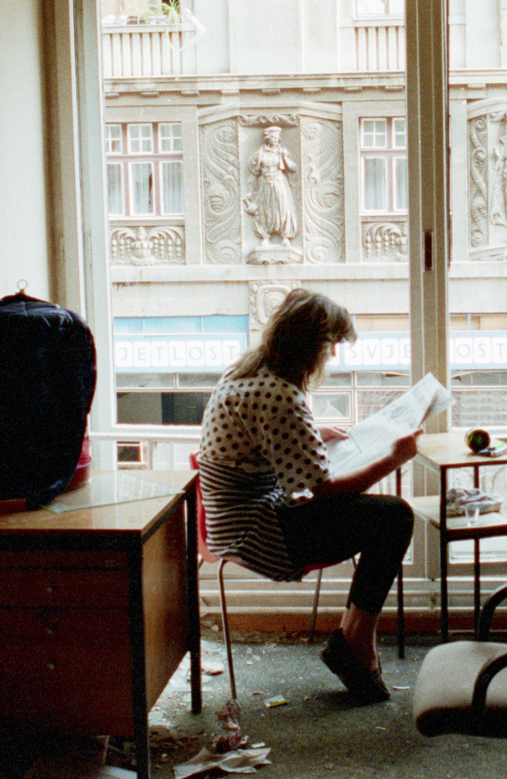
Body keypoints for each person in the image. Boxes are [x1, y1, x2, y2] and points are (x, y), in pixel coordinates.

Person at [197, 288, 418, 701]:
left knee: (384, 515)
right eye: (330, 344)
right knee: (394, 517)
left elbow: (263, 439)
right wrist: (393, 458)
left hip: (239, 514)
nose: (332, 356)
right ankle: (357, 642)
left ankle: (352, 638)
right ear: (310, 344)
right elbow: (321, 491)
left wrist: (312, 433)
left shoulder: (247, 370)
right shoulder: (279, 394)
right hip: (257, 532)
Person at [244, 125, 298, 247]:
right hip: (264, 181)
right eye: (273, 137)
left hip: (278, 180)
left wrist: (284, 157)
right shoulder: (260, 153)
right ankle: (265, 236)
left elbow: (293, 168)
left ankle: (285, 236)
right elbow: (254, 171)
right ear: (268, 138)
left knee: (282, 206)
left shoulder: (281, 151)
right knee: (265, 208)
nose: (275, 140)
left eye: (277, 138)